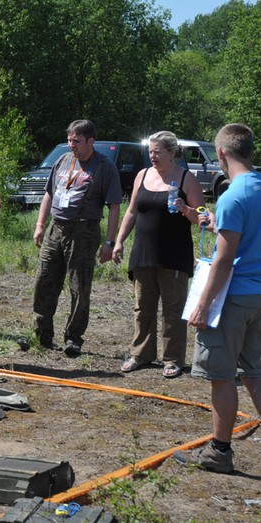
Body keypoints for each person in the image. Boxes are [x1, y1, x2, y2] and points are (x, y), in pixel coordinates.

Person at [173, 123, 261, 474]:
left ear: (222, 153)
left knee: (222, 376)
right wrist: (215, 224)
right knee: (255, 373)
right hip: (257, 296)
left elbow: (224, 260)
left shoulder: (233, 195)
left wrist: (203, 305)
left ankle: (219, 452)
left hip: (232, 299)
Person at [112, 131, 206, 378]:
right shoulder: (142, 175)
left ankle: (173, 359)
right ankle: (140, 354)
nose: (152, 156)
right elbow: (131, 211)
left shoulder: (187, 179)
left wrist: (186, 209)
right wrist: (119, 241)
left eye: (157, 151)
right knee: (142, 307)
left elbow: (202, 218)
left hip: (174, 255)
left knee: (173, 310)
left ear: (172, 153)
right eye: (150, 151)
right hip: (144, 253)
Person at [32, 119, 122, 357]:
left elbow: (114, 206)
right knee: (44, 280)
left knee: (79, 287)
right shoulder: (62, 161)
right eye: (69, 140)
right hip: (55, 228)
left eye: (77, 141)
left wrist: (110, 242)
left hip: (84, 232)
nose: (72, 145)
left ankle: (73, 338)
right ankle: (41, 336)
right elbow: (49, 194)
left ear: (91, 141)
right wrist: (40, 225)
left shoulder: (104, 167)